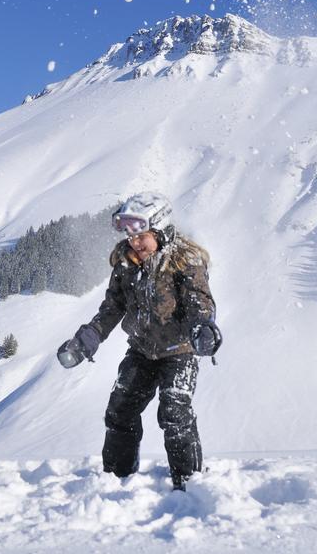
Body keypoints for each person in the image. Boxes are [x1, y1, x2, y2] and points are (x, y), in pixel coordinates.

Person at [57, 192, 222, 491]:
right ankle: (117, 479)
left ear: (160, 230)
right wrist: (87, 339)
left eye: (142, 236)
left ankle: (189, 482)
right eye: (130, 237)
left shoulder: (185, 260)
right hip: (142, 352)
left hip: (179, 352)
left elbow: (199, 301)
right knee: (119, 410)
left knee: (174, 412)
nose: (135, 243)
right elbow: (112, 308)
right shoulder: (126, 264)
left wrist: (202, 328)